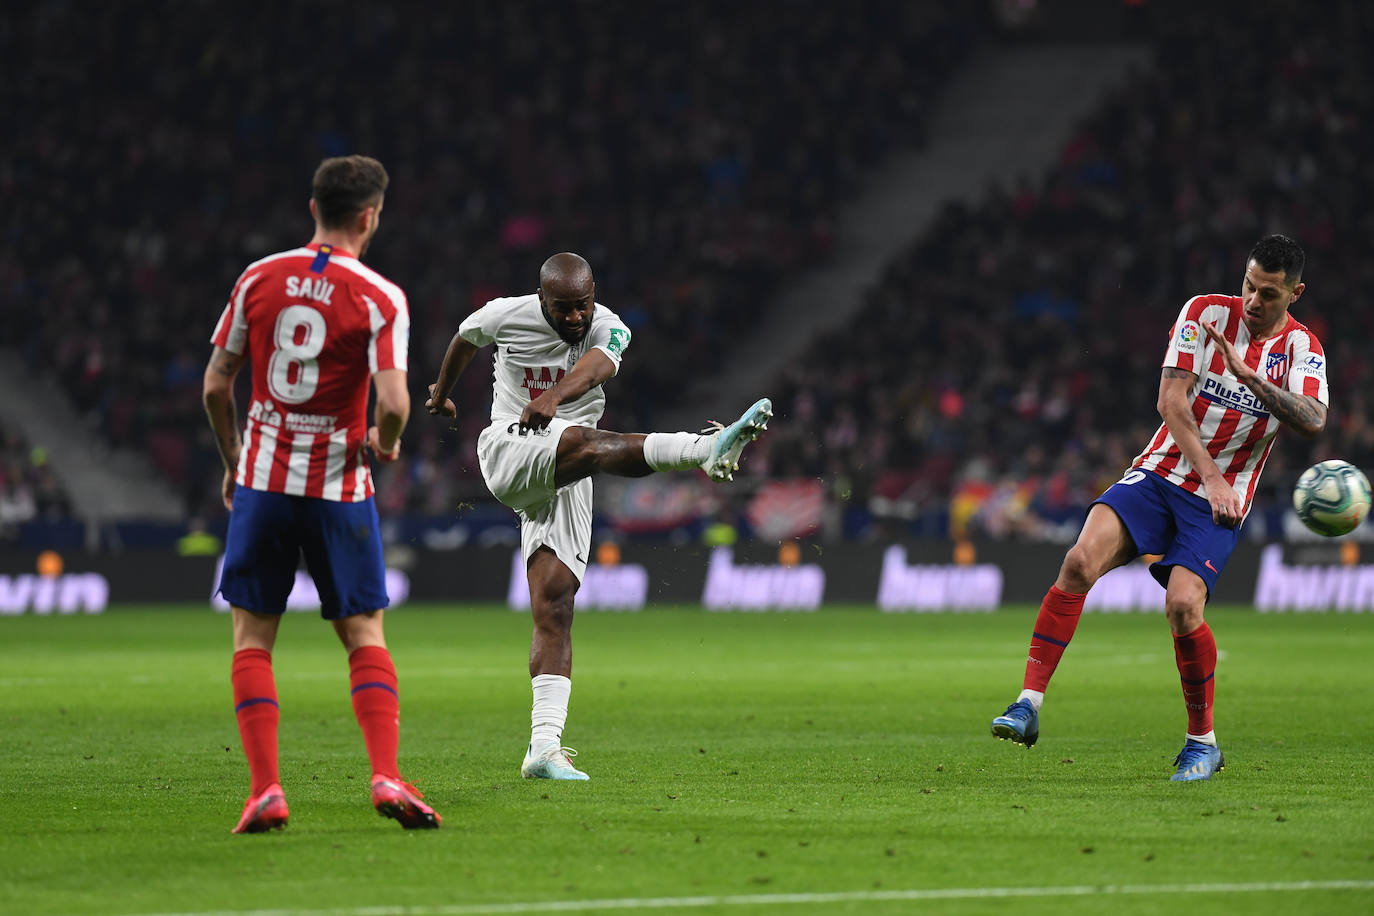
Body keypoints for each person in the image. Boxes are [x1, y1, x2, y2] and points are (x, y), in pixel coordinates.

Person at [989, 235, 1328, 781]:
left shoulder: (1303, 350)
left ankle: (1203, 743)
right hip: (1161, 474)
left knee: (1182, 607)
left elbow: (1312, 419)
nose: (1253, 301)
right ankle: (1028, 704)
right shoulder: (1203, 312)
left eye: (1268, 293)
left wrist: (1249, 378)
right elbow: (1170, 401)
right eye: (1248, 285)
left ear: (1294, 292)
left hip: (1218, 504)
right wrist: (1211, 475)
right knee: (1078, 562)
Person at [426, 252, 772, 780]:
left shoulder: (608, 327)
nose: (574, 318)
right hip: (509, 447)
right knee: (589, 445)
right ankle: (704, 450)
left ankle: (543, 748)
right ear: (541, 299)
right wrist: (441, 395)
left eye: (581, 306)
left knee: (556, 605)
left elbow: (598, 369)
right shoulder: (505, 314)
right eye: (562, 309)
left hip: (565, 471)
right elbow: (465, 338)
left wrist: (554, 395)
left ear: (594, 297)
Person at [202, 155, 440, 832]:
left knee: (252, 639)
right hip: (339, 487)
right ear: (371, 216)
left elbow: (217, 385)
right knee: (363, 633)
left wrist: (234, 460)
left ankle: (266, 790)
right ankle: (387, 775)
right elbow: (394, 402)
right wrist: (386, 442)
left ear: (314, 209)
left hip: (264, 482)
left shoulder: (258, 277)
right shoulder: (379, 296)